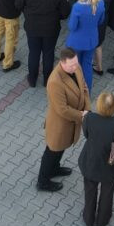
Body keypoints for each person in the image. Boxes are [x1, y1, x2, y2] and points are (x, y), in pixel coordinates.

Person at [37, 49, 90, 192]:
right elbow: (62, 109)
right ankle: (43, 181)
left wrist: (87, 108)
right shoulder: (55, 81)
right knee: (52, 151)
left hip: (71, 121)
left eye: (76, 63)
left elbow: (84, 88)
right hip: (60, 125)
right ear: (62, 63)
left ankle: (54, 169)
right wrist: (82, 115)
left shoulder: (75, 67)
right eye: (72, 65)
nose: (75, 67)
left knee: (61, 148)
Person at [78, 91, 114, 226]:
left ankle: (88, 219)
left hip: (91, 162)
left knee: (90, 191)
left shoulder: (89, 118)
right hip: (110, 166)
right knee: (107, 193)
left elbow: (87, 134)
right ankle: (102, 220)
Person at [16, 0, 70, 87]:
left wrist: (28, 13)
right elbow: (65, 13)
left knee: (33, 52)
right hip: (51, 29)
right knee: (48, 53)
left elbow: (18, 5)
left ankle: (32, 79)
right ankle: (47, 80)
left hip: (32, 28)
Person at [66, 0, 105, 91]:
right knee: (87, 66)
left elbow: (72, 26)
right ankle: (87, 93)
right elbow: (101, 21)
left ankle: (75, 92)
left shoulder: (78, 7)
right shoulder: (101, 3)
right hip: (91, 41)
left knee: (74, 67)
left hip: (76, 43)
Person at [93, 0, 113, 76]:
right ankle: (99, 67)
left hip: (94, 20)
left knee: (91, 44)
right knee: (98, 44)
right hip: (103, 18)